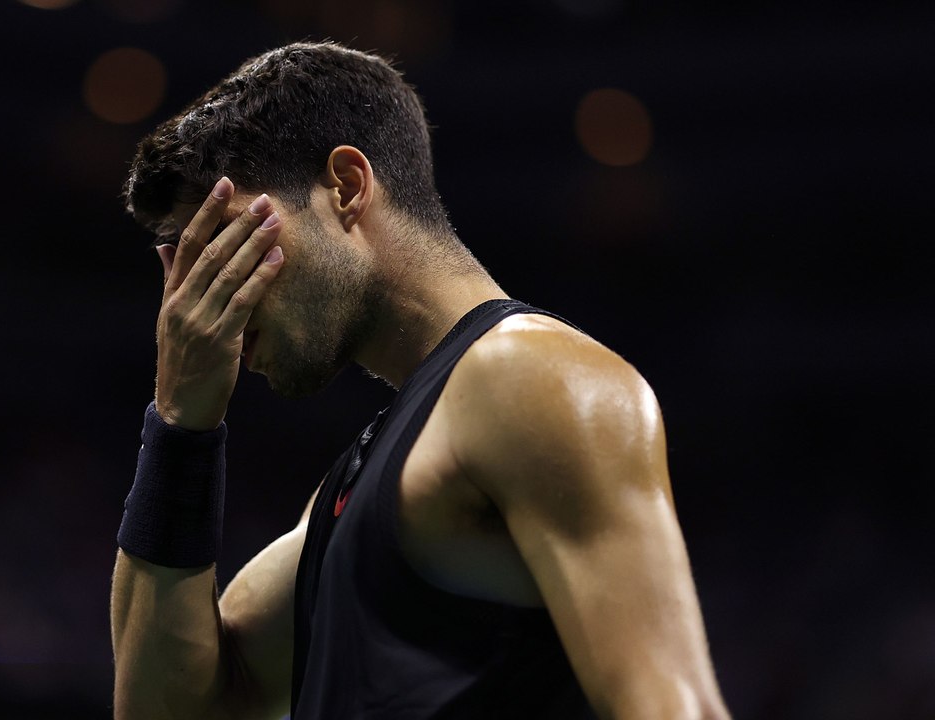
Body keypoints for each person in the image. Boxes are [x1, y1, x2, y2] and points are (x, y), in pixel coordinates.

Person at [110, 41, 730, 720]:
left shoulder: (536, 380)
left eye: (225, 248)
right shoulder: (359, 480)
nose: (198, 303)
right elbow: (173, 709)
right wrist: (179, 427)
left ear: (347, 187)